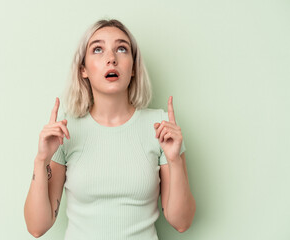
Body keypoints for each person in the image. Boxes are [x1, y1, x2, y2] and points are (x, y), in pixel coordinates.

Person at [24, 18, 196, 239]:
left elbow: (182, 223)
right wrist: (41, 160)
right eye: (98, 49)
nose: (111, 59)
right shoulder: (66, 130)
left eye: (121, 49)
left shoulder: (160, 126)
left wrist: (175, 161)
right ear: (83, 69)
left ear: (133, 68)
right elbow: (37, 227)